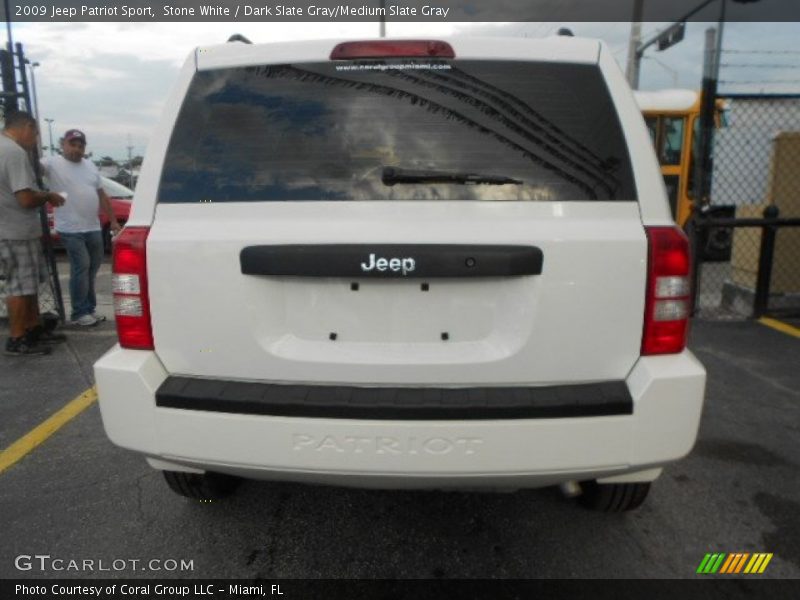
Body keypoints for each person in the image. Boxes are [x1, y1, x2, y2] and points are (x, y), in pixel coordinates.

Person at [0, 111, 68, 356]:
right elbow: (26, 198)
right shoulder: (14, 152)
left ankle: (32, 329)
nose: (36, 138)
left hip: (12, 229)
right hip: (15, 231)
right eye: (36, 132)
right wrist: (48, 195)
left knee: (28, 284)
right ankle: (18, 338)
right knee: (19, 286)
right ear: (27, 127)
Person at [42, 129, 121, 327]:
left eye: (80, 145)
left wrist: (113, 220)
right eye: (72, 144)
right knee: (81, 266)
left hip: (92, 226)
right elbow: (32, 168)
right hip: (70, 228)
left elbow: (102, 195)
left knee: (92, 267)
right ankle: (78, 312)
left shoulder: (90, 166)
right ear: (63, 144)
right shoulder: (51, 163)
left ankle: (89, 308)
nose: (77, 149)